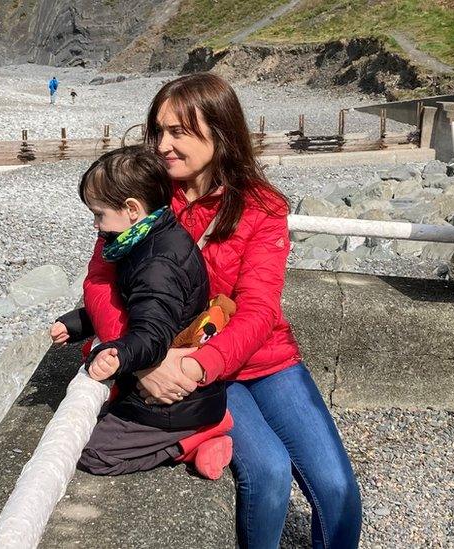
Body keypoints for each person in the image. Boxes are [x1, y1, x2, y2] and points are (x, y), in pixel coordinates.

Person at [130, 72, 362, 548]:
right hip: (198, 364)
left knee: (338, 489)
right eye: (158, 131)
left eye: (179, 132)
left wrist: (197, 365)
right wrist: (146, 359)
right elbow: (106, 287)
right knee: (271, 472)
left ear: (220, 133)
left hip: (261, 359)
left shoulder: (261, 206)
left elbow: (258, 309)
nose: (163, 145)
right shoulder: (144, 196)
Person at [49, 145, 234, 479]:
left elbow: (152, 332)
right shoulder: (152, 240)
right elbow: (140, 303)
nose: (96, 225)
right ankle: (201, 437)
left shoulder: (156, 264)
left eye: (99, 214)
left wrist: (119, 352)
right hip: (190, 398)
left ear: (131, 209)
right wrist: (78, 324)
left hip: (176, 407)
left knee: (90, 453)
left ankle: (196, 439)